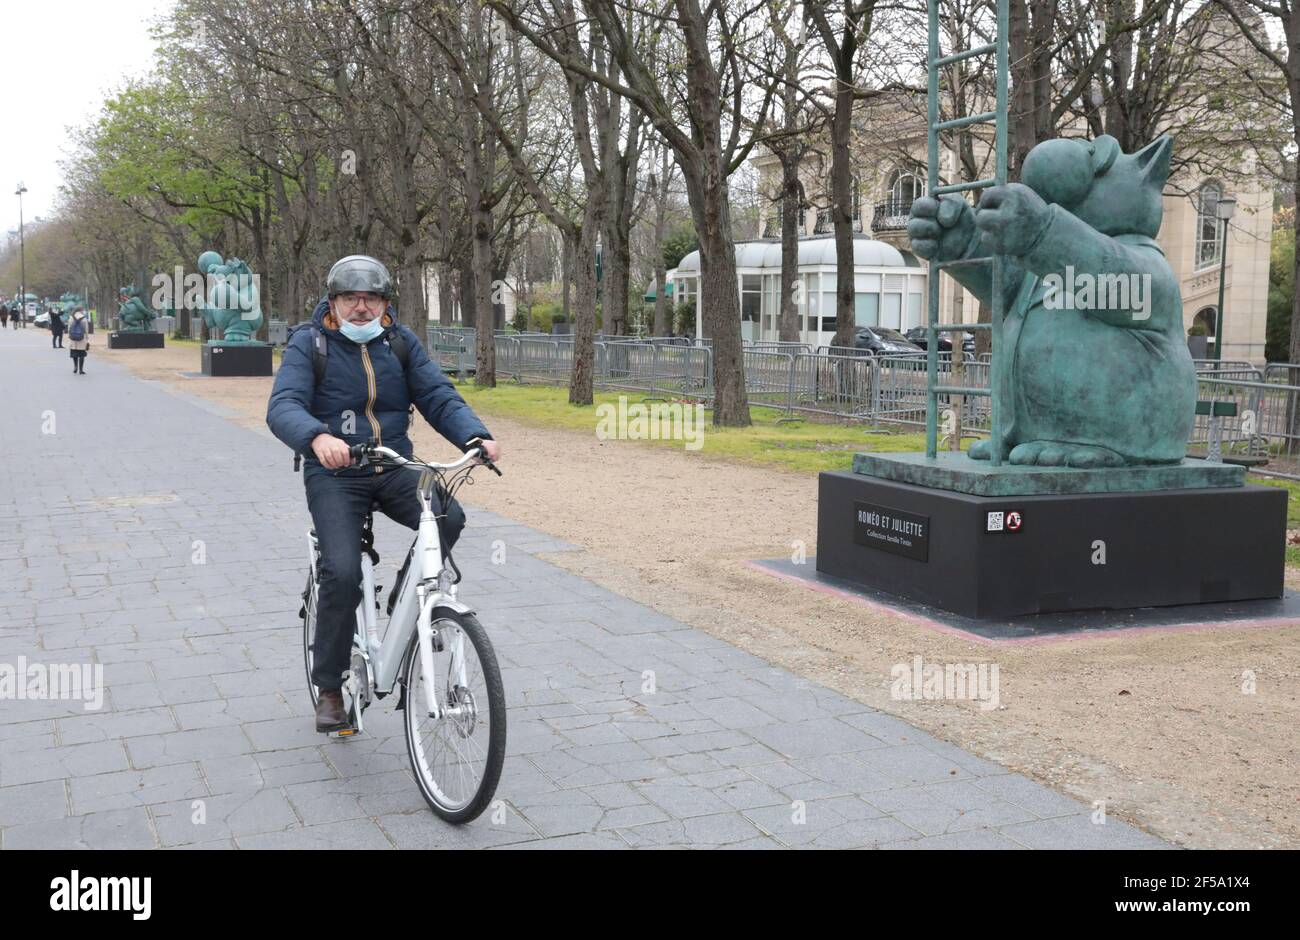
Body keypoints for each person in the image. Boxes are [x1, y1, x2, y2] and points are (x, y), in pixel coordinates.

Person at [266, 255, 502, 733]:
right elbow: (283, 404)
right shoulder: (309, 344)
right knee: (343, 569)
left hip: (394, 464)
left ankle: (405, 598)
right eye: (350, 298)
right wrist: (317, 437)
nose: (360, 308)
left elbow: (437, 394)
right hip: (336, 472)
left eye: (370, 299)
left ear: (384, 303)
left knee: (449, 517)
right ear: (332, 303)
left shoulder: (400, 342)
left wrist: (474, 436)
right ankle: (330, 687)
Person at [67, 308, 89, 373]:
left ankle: (75, 367)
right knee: (82, 354)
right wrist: (87, 338)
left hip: (73, 338)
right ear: (81, 311)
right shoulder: (84, 318)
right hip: (82, 338)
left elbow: (69, 328)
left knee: (74, 354)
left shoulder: (71, 318)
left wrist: (70, 336)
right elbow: (86, 329)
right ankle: (81, 370)